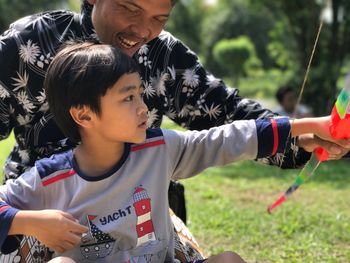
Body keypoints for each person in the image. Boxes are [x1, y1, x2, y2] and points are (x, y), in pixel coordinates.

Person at [0, 0, 349, 260]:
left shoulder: (164, 63)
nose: (143, 31)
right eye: (130, 9)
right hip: (44, 216)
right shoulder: (27, 45)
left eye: (158, 19)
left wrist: (300, 136)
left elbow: (229, 124)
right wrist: (25, 220)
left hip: (140, 208)